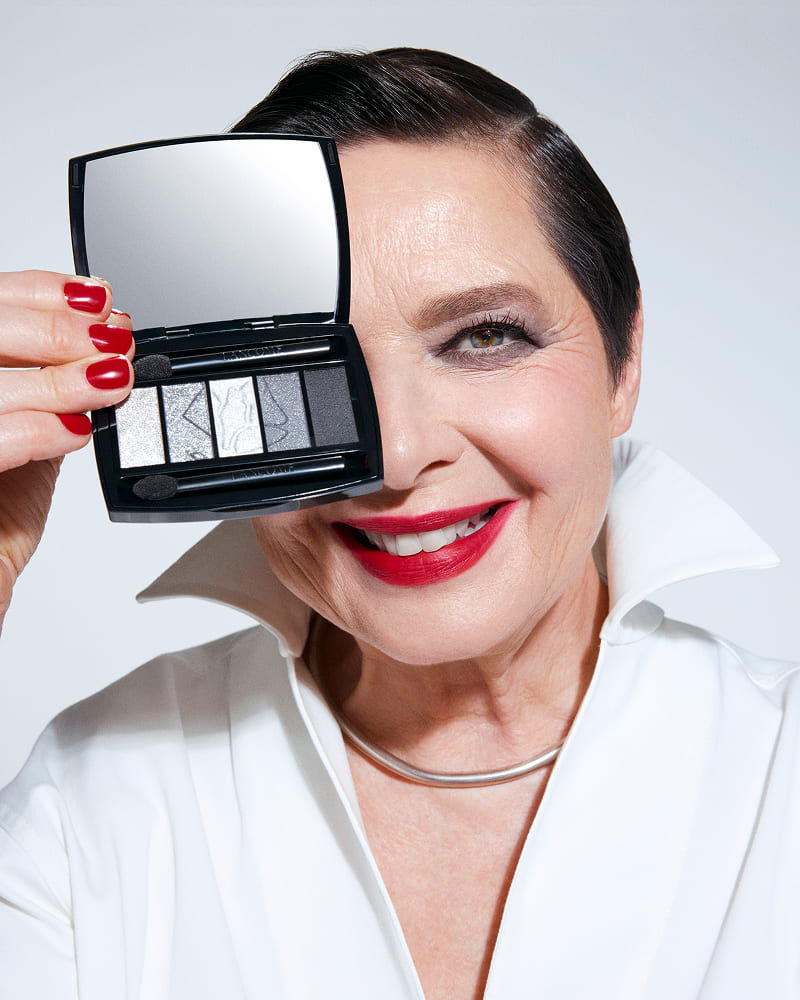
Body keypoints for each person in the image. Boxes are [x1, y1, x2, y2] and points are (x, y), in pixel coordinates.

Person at [0, 47, 797, 1000]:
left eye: (483, 337)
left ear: (625, 364)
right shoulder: (93, 793)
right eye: (304, 365)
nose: (395, 455)